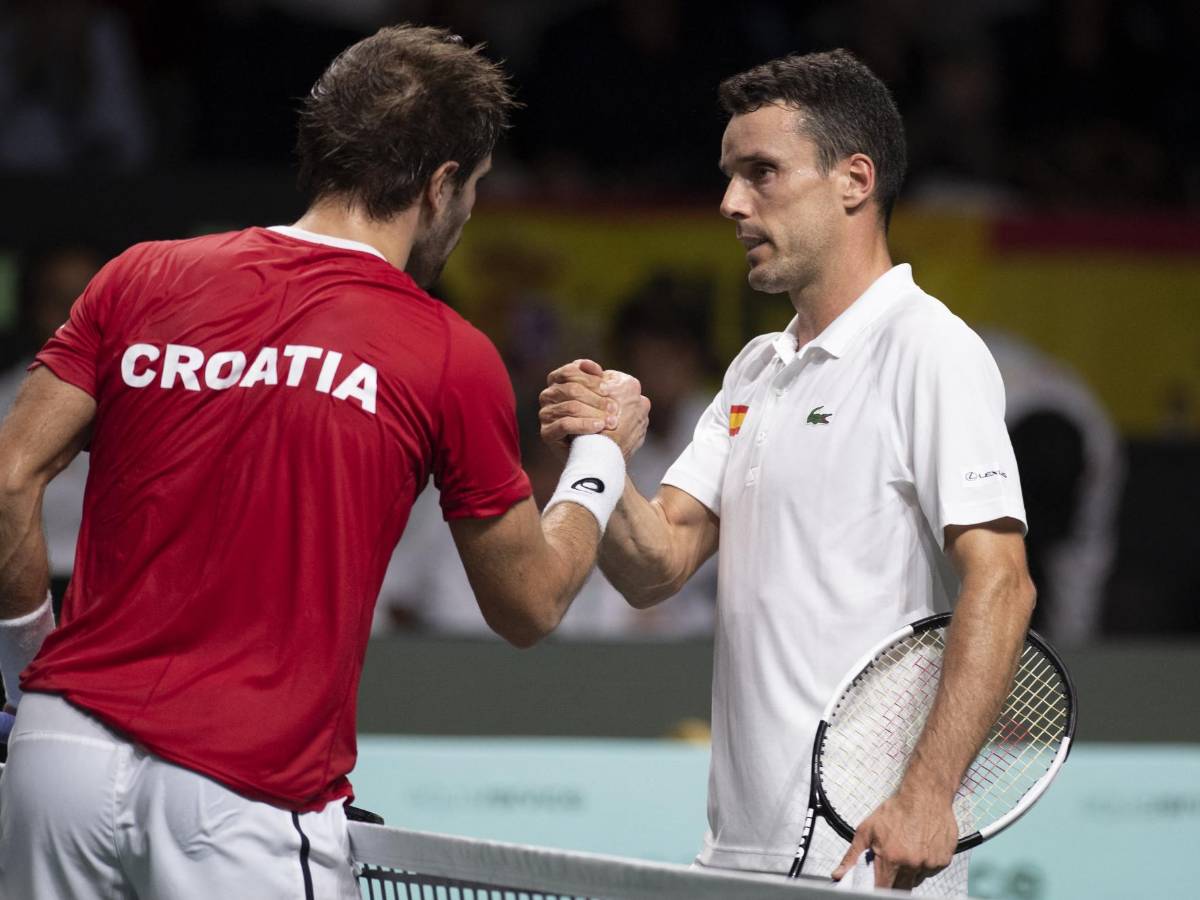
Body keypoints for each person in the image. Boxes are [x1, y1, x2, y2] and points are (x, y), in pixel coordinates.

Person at [0, 25, 648, 899]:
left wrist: (30, 676)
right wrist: (600, 453)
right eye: (474, 190)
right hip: (243, 792)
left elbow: (8, 478)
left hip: (58, 760)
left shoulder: (140, 275)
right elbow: (529, 603)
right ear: (441, 185)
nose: (467, 215)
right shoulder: (447, 351)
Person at [540, 50, 1034, 895]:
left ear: (854, 181)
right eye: (730, 176)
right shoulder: (755, 370)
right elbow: (657, 566)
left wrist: (927, 796)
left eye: (761, 173)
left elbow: (1003, 582)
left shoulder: (929, 349)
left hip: (866, 862)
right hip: (737, 856)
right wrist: (601, 452)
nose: (732, 203)